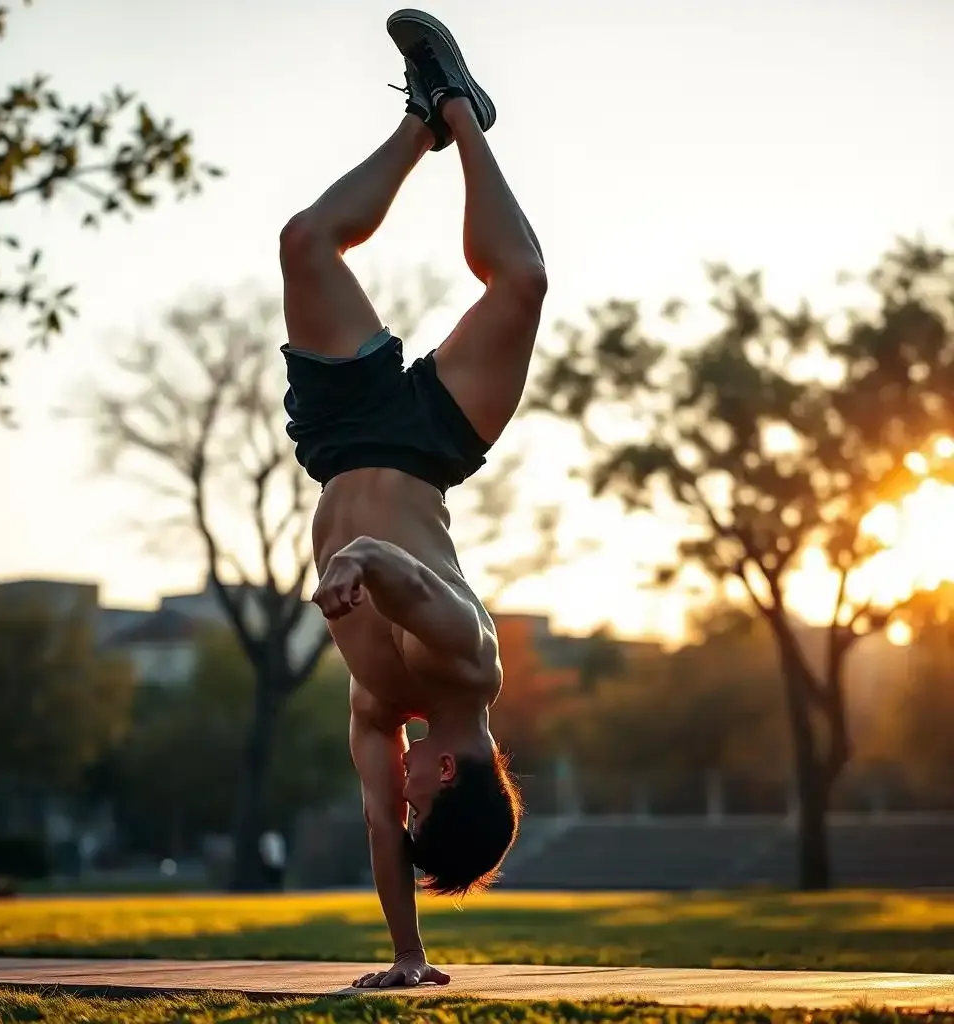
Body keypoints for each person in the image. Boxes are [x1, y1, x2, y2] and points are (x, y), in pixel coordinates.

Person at [279, 8, 546, 989]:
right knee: (521, 279)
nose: (399, 802)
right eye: (419, 806)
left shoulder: (374, 705)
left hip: (342, 438)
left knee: (306, 243)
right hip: (434, 439)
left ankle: (420, 124)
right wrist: (357, 565)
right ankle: (467, 119)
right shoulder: (467, 664)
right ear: (447, 777)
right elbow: (410, 586)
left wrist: (406, 956)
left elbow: (375, 829)